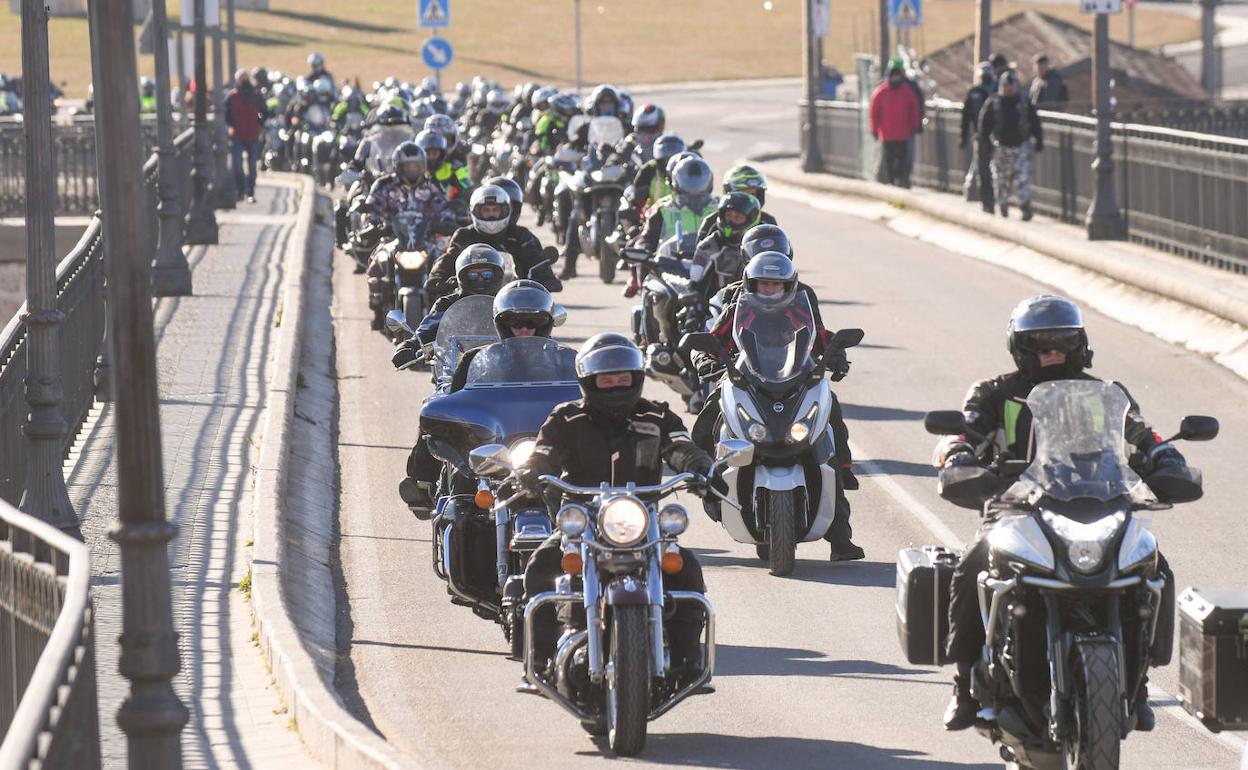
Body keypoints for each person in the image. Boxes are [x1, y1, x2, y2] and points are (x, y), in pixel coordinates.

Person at [937, 295, 1182, 733]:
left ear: (1079, 344)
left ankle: (1138, 679)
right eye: (1041, 343)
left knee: (1153, 564)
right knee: (972, 563)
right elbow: (964, 434)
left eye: (1063, 342)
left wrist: (1164, 456)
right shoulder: (994, 394)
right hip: (1015, 510)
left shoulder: (1108, 394)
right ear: (1021, 347)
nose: (1054, 352)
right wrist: (957, 455)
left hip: (1098, 504)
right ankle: (963, 683)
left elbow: (1144, 433)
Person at [520, 333, 714, 675]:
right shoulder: (566, 418)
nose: (614, 386)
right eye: (606, 380)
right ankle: (541, 656)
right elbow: (544, 453)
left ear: (636, 378)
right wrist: (531, 471)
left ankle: (686, 656)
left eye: (622, 378)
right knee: (541, 565)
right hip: (585, 522)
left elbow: (679, 446)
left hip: (642, 522)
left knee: (685, 568)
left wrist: (699, 466)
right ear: (589, 381)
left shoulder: (657, 417)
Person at [690, 252, 863, 561]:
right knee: (712, 410)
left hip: (794, 379)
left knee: (829, 422)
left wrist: (836, 355)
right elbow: (715, 339)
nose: (770, 290)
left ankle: (841, 536)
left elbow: (821, 338)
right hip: (748, 379)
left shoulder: (799, 310)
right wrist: (705, 359)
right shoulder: (737, 310)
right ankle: (700, 469)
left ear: (788, 286)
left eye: (776, 285)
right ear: (751, 284)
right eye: (764, 284)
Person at [397, 272, 545, 512]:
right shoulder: (476, 359)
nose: (525, 330)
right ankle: (424, 481)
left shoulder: (558, 362)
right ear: (503, 324)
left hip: (541, 448)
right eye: (516, 323)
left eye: (532, 323)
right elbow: (455, 406)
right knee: (462, 490)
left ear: (544, 324)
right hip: (492, 446)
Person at [362, 143, 454, 326]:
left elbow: (444, 208)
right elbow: (371, 208)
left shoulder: (432, 186)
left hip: (425, 240)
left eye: (417, 165)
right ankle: (378, 309)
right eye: (408, 166)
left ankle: (443, 312)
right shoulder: (384, 185)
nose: (413, 170)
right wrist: (373, 223)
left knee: (445, 268)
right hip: (393, 239)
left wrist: (447, 222)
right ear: (398, 166)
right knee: (376, 264)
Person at [425, 184, 563, 301]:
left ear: (505, 210)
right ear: (475, 211)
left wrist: (546, 278)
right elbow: (449, 259)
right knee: (438, 316)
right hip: (468, 302)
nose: (491, 214)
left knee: (542, 320)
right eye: (486, 210)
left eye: (495, 210)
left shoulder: (520, 235)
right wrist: (439, 278)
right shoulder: (464, 235)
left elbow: (535, 260)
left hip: (513, 302)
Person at [979, 69, 1043, 220]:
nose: (1008, 88)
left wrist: (1039, 139)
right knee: (1002, 180)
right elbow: (984, 127)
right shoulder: (993, 103)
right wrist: (986, 145)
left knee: (1024, 177)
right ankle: (1003, 203)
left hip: (1021, 146)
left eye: (1011, 85)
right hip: (1001, 147)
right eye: (1005, 85)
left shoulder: (1024, 102)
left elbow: (1034, 122)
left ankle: (1025, 205)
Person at [690, 192, 762, 300]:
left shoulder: (759, 247)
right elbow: (695, 281)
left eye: (737, 217)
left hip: (750, 304)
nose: (731, 221)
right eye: (728, 215)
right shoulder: (707, 246)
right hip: (713, 308)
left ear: (750, 219)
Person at [869, 59, 921, 188]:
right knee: (889, 160)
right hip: (887, 133)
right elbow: (874, 113)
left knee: (902, 159)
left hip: (903, 133)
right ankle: (893, 181)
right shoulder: (881, 92)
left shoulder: (907, 91)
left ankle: (901, 180)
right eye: (893, 75)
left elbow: (914, 110)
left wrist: (914, 125)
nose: (895, 78)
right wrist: (874, 129)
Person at [697, 164, 777, 240]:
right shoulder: (712, 222)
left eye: (753, 194)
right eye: (743, 193)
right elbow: (700, 251)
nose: (748, 199)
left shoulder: (768, 222)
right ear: (728, 192)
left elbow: (781, 250)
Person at [225, 69, 269, 204]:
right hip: (237, 135)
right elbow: (226, 114)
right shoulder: (232, 96)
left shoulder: (256, 94)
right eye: (241, 78)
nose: (244, 80)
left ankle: (250, 192)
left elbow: (264, 111)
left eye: (245, 77)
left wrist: (259, 122)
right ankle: (240, 191)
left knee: (252, 166)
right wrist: (231, 126)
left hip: (252, 135)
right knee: (237, 165)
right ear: (237, 80)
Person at [961, 62, 995, 211]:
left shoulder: (998, 91)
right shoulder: (974, 93)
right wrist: (962, 136)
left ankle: (999, 198)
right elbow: (966, 117)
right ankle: (987, 201)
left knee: (998, 171)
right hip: (980, 137)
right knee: (983, 170)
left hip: (999, 138)